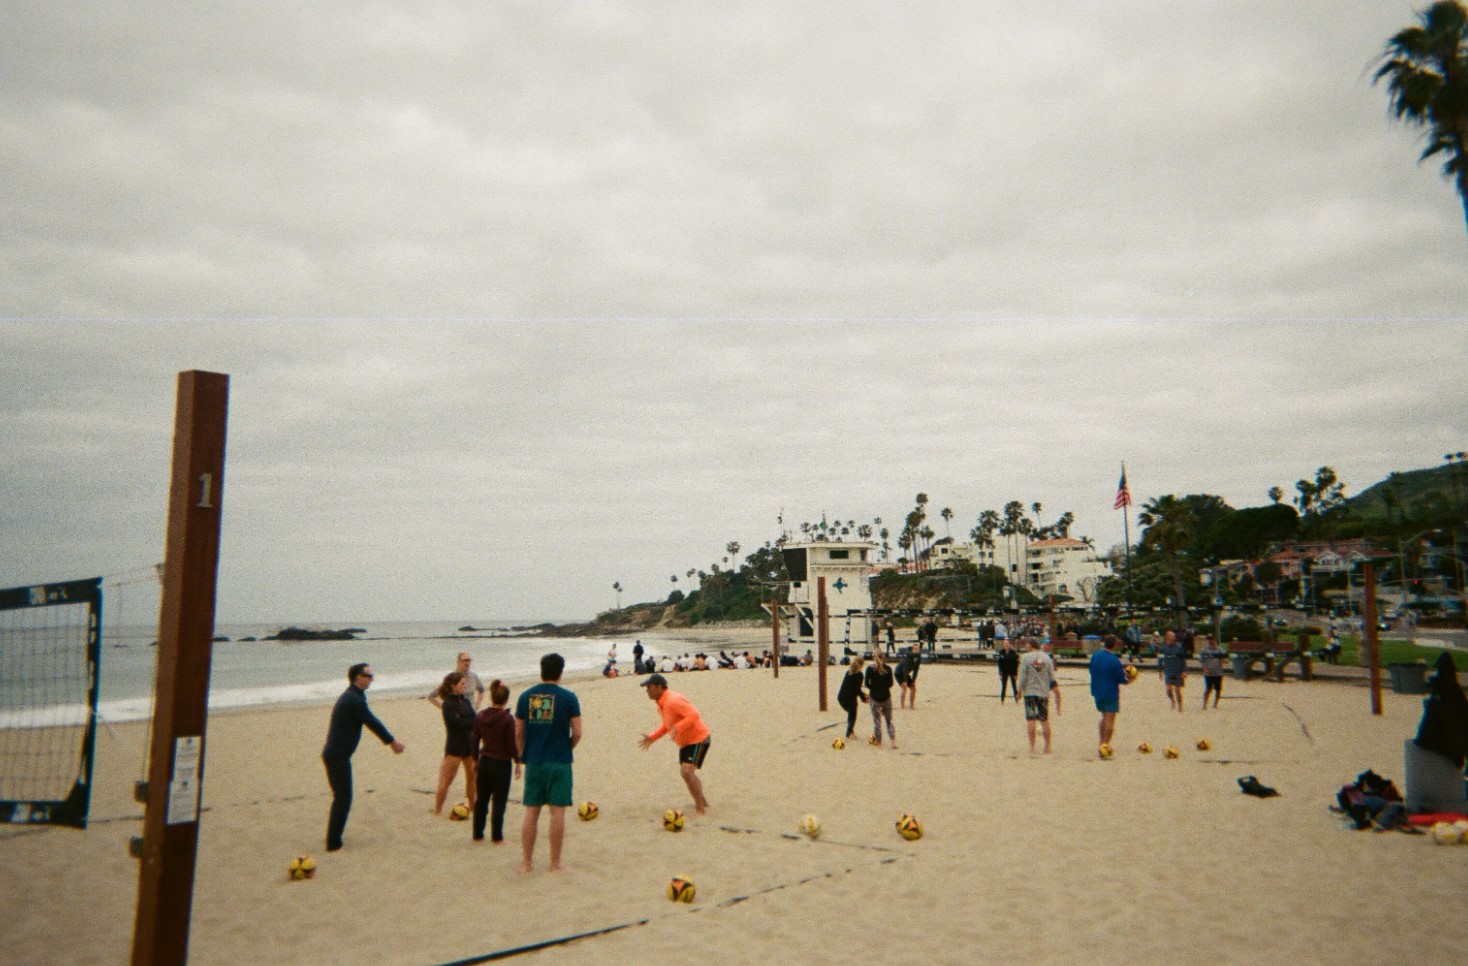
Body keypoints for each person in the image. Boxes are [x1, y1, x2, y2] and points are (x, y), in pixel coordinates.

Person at [321, 663, 405, 852]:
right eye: (367, 675)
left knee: (342, 796)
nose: (370, 679)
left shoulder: (354, 696)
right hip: (337, 755)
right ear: (356, 677)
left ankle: (334, 838)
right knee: (343, 797)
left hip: (338, 754)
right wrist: (392, 742)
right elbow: (372, 722)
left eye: (371, 676)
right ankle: (333, 842)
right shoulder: (353, 700)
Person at [515, 653, 582, 873]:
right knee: (557, 813)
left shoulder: (525, 697)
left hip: (535, 760)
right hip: (560, 761)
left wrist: (524, 754)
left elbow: (518, 732)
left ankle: (526, 862)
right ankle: (554, 862)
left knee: (531, 812)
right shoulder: (569, 697)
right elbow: (578, 732)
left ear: (541, 670)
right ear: (560, 672)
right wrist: (567, 747)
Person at [637, 673, 712, 815]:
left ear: (659, 687)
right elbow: (667, 725)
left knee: (686, 771)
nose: (646, 690)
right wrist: (653, 737)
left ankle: (700, 808)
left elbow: (694, 715)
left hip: (699, 738)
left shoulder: (672, 700)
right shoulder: (661, 704)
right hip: (686, 742)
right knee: (688, 773)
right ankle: (703, 803)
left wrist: (678, 728)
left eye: (649, 687)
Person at [471, 679, 521, 844]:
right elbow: (511, 744)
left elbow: (475, 739)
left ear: (491, 697)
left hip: (485, 760)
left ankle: (478, 833)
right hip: (501, 763)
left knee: (482, 799)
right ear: (506, 700)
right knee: (499, 801)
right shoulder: (507, 719)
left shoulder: (480, 716)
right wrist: (517, 762)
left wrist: (474, 759)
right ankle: (497, 836)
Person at [433, 671, 477, 816]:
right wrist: (470, 722)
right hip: (455, 746)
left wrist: (469, 722)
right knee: (446, 780)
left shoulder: (465, 701)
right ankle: (438, 810)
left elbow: (473, 719)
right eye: (462, 684)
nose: (465, 686)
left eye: (465, 683)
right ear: (453, 686)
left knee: (472, 777)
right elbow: (456, 722)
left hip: (469, 745)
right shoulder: (448, 704)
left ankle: (472, 806)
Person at [1088, 636, 1132, 748]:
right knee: (1110, 719)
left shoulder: (1095, 656)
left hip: (1097, 691)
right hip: (1110, 692)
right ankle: (1105, 744)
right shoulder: (1114, 660)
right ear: (1114, 645)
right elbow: (1122, 679)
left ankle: (1101, 741)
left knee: (1103, 717)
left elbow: (1091, 670)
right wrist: (1131, 679)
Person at [1018, 638, 1060, 754]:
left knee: (1031, 719)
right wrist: (1055, 690)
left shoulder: (1026, 658)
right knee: (1044, 719)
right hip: (1043, 694)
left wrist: (1019, 690)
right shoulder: (1046, 658)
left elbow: (1022, 676)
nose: (1026, 647)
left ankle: (1032, 747)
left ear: (1030, 646)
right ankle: (1047, 747)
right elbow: (1051, 677)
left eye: (1026, 645)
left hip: (1030, 694)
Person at [864, 649, 897, 749]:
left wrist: (874, 688)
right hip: (886, 696)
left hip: (874, 696)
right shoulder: (888, 668)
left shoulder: (870, 669)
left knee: (877, 722)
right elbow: (890, 684)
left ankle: (879, 743)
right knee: (889, 720)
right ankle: (893, 741)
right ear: (883, 657)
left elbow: (866, 684)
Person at [836, 657, 869, 739]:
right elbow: (857, 689)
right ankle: (849, 733)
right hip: (850, 699)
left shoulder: (848, 672)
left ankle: (851, 732)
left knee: (851, 714)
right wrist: (864, 698)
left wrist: (863, 696)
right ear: (862, 665)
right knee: (852, 715)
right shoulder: (860, 675)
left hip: (841, 698)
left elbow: (854, 688)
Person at [1157, 630, 1187, 713]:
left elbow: (1183, 660)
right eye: (1172, 636)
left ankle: (1180, 705)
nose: (1174, 638)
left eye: (1174, 636)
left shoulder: (1179, 647)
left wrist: (1184, 671)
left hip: (1178, 671)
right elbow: (1160, 660)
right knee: (1169, 690)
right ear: (1167, 637)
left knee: (1178, 690)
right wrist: (1160, 671)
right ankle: (1173, 701)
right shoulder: (1163, 648)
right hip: (1168, 671)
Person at [1197, 635, 1226, 710]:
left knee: (1218, 689)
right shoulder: (1204, 650)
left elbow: (1224, 658)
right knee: (1208, 688)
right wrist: (1204, 668)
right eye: (1209, 639)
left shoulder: (1219, 649)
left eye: (1211, 639)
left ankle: (1215, 704)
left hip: (1218, 672)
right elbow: (1201, 659)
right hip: (1209, 672)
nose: (1210, 640)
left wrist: (1223, 660)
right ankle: (1205, 704)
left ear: (1214, 639)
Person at [897, 643, 921, 709]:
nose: (917, 651)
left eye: (918, 649)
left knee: (913, 688)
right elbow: (904, 670)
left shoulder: (918, 657)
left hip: (906, 673)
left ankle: (911, 705)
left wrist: (913, 680)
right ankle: (902, 706)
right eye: (915, 649)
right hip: (899, 673)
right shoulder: (908, 658)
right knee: (904, 688)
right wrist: (904, 681)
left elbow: (916, 670)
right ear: (912, 650)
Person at [997, 639, 1021, 703]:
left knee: (1014, 686)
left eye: (1007, 644)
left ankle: (1016, 699)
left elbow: (1016, 664)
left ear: (1010, 645)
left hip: (1012, 671)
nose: (1006, 645)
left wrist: (1016, 674)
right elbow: (999, 663)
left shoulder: (1013, 653)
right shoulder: (1001, 652)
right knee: (1004, 686)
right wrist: (1000, 673)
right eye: (1004, 644)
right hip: (1004, 671)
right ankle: (1002, 699)